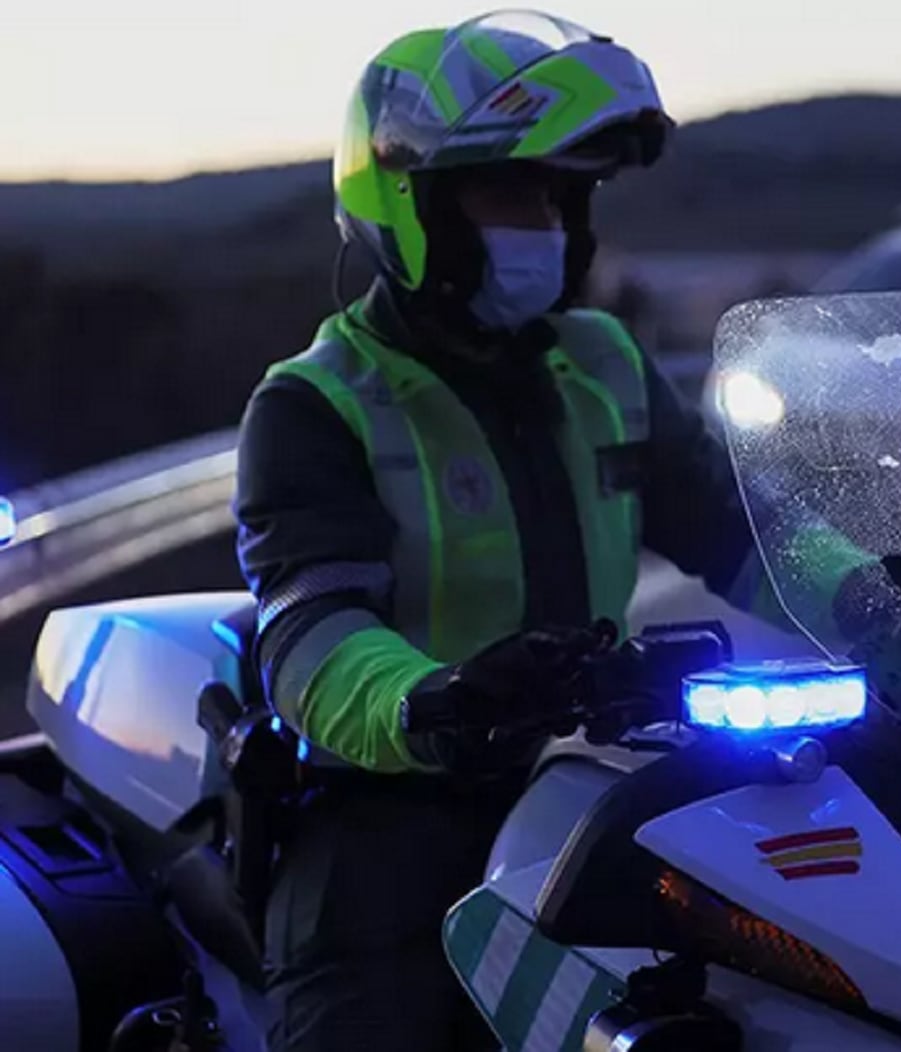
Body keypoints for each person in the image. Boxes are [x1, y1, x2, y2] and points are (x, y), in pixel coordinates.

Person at [230, 12, 854, 1049]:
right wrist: (439, 697)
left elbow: (743, 535)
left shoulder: (603, 359)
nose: (549, 224)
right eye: (514, 192)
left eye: (565, 195)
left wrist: (891, 597)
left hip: (588, 780)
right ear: (411, 202)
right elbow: (309, 637)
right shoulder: (315, 403)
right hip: (393, 811)